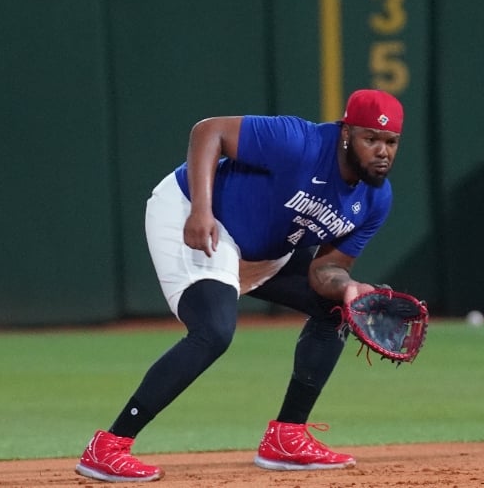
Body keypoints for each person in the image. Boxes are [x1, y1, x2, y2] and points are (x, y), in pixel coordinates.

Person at [75, 89, 404, 482]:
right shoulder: (299, 142)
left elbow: (326, 271)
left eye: (391, 142)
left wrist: (349, 289)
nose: (382, 151)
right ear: (347, 133)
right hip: (196, 216)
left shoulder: (376, 200)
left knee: (334, 310)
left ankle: (287, 437)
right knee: (213, 332)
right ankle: (109, 446)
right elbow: (208, 131)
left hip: (265, 251)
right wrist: (200, 209)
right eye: (371, 138)